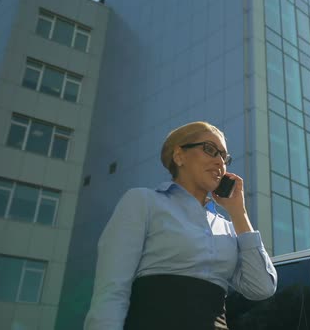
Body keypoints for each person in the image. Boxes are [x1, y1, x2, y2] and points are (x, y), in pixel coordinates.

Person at [84, 121, 278, 330]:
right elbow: (112, 289)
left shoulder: (228, 227)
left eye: (224, 157)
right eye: (210, 150)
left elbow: (262, 287)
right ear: (179, 156)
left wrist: (239, 213)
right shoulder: (143, 201)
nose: (220, 162)